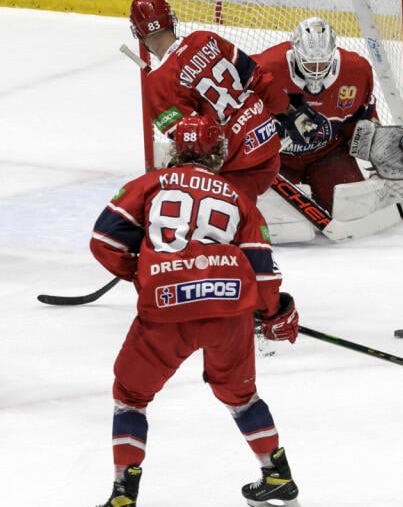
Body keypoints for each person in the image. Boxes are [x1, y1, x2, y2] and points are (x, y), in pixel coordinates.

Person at [90, 115, 301, 507]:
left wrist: (144, 275)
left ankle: (123, 495)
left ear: (174, 150)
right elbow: (263, 273)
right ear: (220, 153)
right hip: (227, 310)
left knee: (131, 397)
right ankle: (277, 475)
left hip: (165, 310)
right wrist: (272, 313)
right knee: (241, 397)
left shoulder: (147, 184)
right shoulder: (240, 199)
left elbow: (104, 240)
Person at [252, 16, 403, 223]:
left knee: (350, 211)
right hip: (277, 160)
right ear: (295, 53)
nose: (316, 69)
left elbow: (359, 123)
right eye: (308, 61)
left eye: (323, 62)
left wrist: (376, 142)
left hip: (327, 155)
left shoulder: (356, 71)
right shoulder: (264, 68)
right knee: (274, 218)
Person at [129, 0, 289, 202]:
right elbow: (255, 76)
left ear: (138, 34)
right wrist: (286, 109)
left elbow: (194, 144)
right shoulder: (205, 38)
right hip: (268, 144)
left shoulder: (158, 83)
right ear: (171, 19)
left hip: (236, 170)